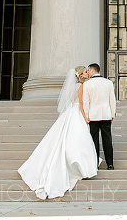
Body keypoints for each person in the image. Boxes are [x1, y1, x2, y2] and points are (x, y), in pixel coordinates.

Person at [18, 66, 98, 199]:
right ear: (80, 75)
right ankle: (80, 167)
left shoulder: (74, 86)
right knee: (79, 139)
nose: (87, 73)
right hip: (77, 112)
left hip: (70, 112)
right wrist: (85, 117)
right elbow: (82, 105)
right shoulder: (81, 87)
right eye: (85, 72)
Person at [82, 63, 117, 170]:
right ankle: (110, 164)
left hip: (93, 115)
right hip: (106, 114)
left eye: (88, 70)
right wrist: (112, 113)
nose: (88, 72)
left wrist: (86, 116)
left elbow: (86, 102)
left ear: (92, 71)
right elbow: (112, 99)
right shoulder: (109, 82)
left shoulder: (87, 84)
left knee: (94, 141)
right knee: (107, 140)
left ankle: (95, 163)